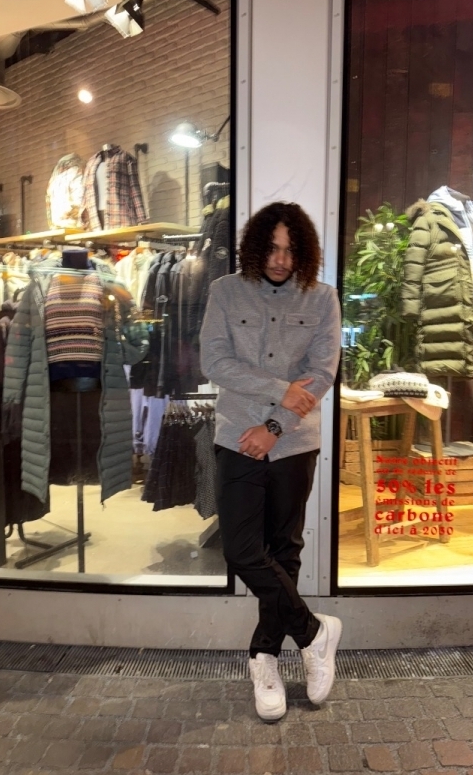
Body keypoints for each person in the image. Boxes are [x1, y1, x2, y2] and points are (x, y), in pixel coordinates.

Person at [200, 201, 342, 721]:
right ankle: (313, 632)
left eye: (291, 250)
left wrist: (275, 426)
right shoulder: (225, 291)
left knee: (284, 551)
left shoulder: (322, 298)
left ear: (304, 252)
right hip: (237, 438)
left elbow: (321, 374)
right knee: (241, 550)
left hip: (294, 444)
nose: (281, 260)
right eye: (273, 249)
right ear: (256, 247)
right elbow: (215, 361)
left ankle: (264, 657)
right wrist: (280, 391)